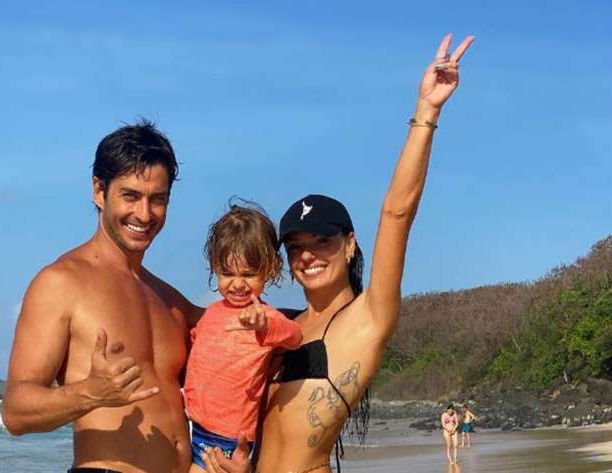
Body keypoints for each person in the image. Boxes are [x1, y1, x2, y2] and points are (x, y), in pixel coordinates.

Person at [201, 33, 475, 473]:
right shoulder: (278, 323)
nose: (308, 256)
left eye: (322, 242)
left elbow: (397, 213)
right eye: (296, 248)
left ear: (349, 244)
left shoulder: (367, 318)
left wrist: (426, 113)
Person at [1, 121, 203, 472]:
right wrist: (92, 392)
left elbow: (238, 329)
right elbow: (15, 412)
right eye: (130, 196)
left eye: (157, 199)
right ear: (99, 190)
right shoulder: (61, 283)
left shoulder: (170, 301)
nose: (144, 214)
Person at [184, 204, 303, 472]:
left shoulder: (265, 316)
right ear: (215, 267)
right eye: (228, 273)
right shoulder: (212, 312)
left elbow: (295, 336)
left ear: (270, 269)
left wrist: (265, 325)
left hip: (225, 436)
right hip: (190, 421)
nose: (237, 284)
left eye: (248, 274)